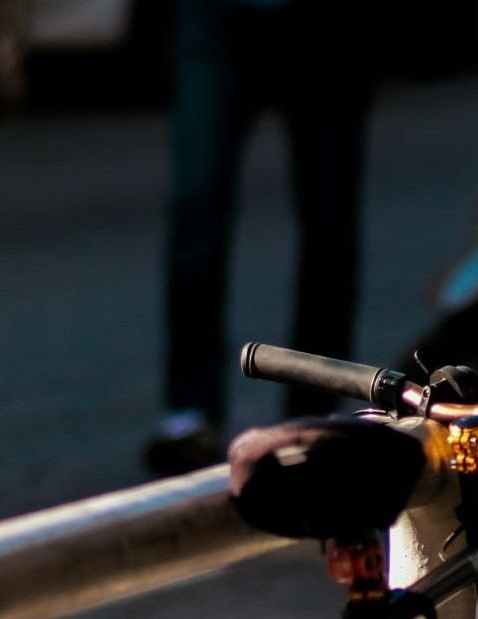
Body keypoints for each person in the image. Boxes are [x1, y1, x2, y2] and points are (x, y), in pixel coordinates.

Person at [145, 0, 374, 476]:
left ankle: (316, 407)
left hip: (328, 22)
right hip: (217, 18)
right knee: (197, 210)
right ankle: (190, 410)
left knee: (329, 222)